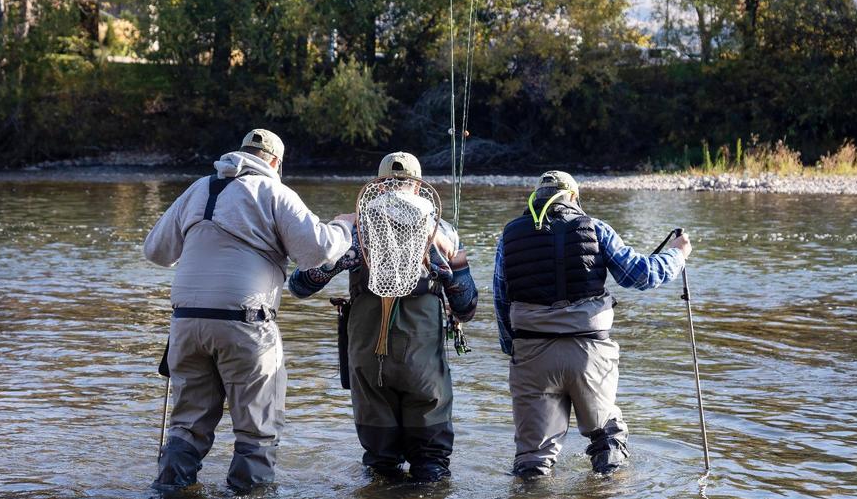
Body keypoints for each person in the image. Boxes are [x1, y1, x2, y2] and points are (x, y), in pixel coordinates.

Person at [144, 129, 354, 493]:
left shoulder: (199, 188)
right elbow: (318, 251)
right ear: (275, 162)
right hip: (245, 323)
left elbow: (156, 251)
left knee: (186, 425)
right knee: (257, 428)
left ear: (240, 152)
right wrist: (343, 227)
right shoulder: (274, 191)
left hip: (186, 325)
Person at [288, 152, 478, 482]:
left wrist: (338, 230)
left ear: (377, 187)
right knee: (431, 467)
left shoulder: (353, 231)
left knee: (380, 467)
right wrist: (455, 265)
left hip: (368, 361)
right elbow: (466, 308)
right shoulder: (441, 232)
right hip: (423, 362)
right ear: (418, 188)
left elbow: (300, 286)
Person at [492, 170, 692, 478]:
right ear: (573, 198)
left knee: (532, 460)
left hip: (531, 354)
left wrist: (514, 349)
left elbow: (501, 297)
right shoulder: (597, 229)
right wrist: (677, 255)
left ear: (537, 198)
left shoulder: (510, 235)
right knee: (607, 440)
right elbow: (640, 274)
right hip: (590, 354)